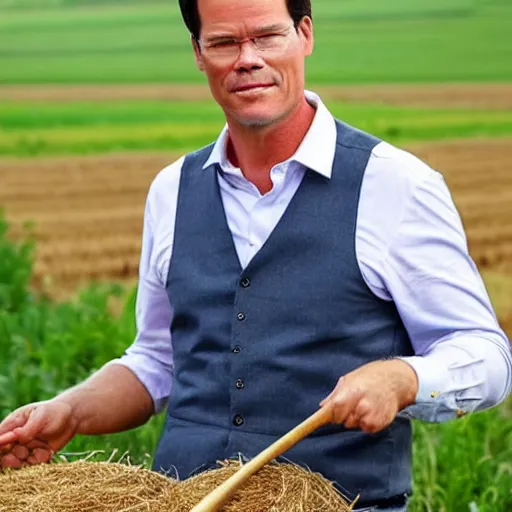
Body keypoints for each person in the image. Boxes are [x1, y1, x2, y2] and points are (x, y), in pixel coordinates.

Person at [1, 0, 511, 510]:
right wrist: (70, 411)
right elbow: (160, 360)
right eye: (224, 42)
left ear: (304, 34)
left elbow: (487, 355)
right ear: (199, 54)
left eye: (266, 36)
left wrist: (404, 378)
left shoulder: (396, 186)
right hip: (180, 500)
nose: (247, 59)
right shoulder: (171, 190)